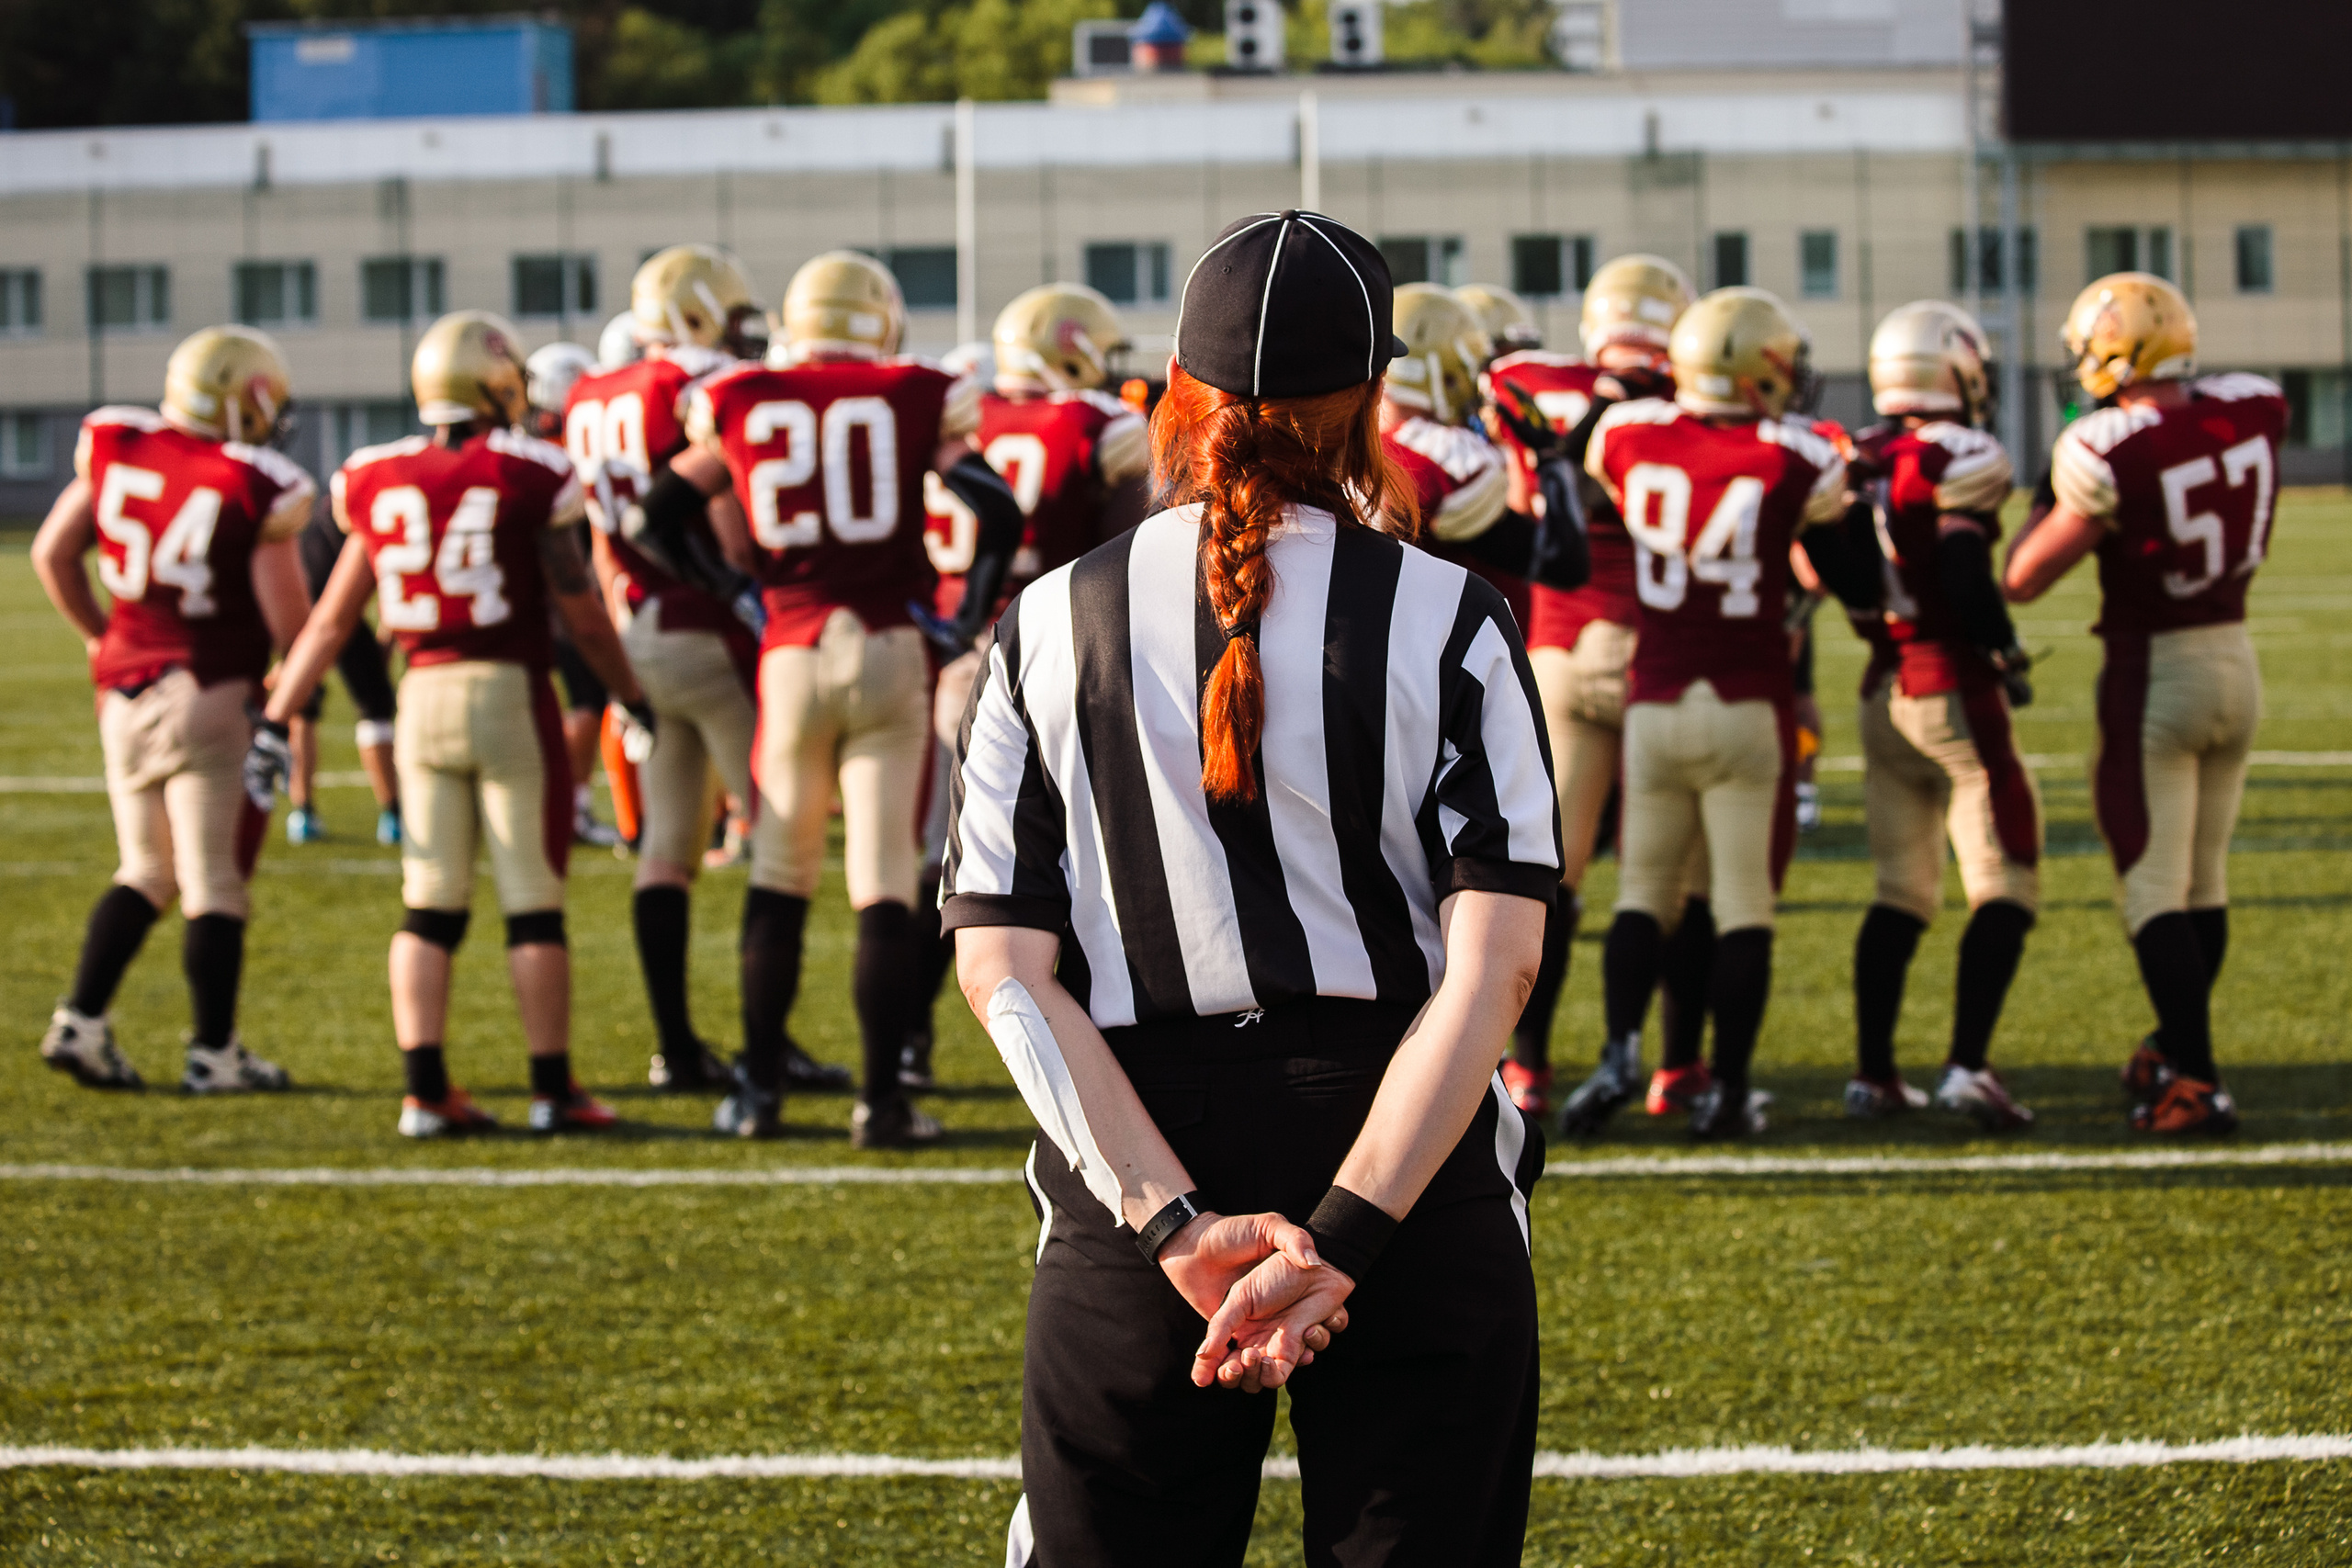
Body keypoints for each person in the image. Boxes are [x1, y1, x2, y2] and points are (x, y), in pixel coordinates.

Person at [945, 209, 1554, 1566]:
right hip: (1406, 1148)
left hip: (1137, 1139)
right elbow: (1496, 966)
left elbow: (1003, 972)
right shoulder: (1455, 615)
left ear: (1177, 390)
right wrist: (1339, 1238)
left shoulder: (1045, 620)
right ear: (1371, 403)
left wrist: (1170, 1218)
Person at [248, 310, 651, 1137]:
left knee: (428, 903)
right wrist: (631, 696)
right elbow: (583, 611)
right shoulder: (531, 469)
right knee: (534, 905)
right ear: (497, 384)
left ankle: (424, 1088)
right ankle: (551, 1088)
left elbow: (329, 621)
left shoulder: (376, 473)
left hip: (418, 701)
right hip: (508, 695)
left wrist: (276, 715)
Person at [665, 250, 1022, 1146]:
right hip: (889, 646)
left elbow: (653, 513)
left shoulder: (741, 395)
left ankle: (757, 1095)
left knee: (778, 877)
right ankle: (881, 1102)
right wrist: (965, 615)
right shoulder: (917, 391)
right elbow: (997, 510)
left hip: (788, 650)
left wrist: (735, 590)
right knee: (883, 886)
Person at [563, 245, 850, 1096]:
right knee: (775, 843)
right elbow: (723, 518)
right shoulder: (690, 388)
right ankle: (769, 1048)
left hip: (642, 627)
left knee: (665, 849)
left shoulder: (590, 393)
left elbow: (601, 530)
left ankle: (675, 1045)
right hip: (712, 630)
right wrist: (746, 587)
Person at [2005, 272, 2284, 1136]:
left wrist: (2052, 493)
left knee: (2154, 885)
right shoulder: (2255, 402)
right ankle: (2173, 1048)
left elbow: (2023, 576)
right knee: (2203, 879)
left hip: (2155, 672)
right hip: (2236, 661)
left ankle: (2195, 1079)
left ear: (2117, 354)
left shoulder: (2105, 446)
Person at [1583, 287, 1848, 1139]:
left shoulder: (1627, 434)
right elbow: (1841, 559)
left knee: (1639, 894)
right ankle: (1727, 1087)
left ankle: (1619, 1051)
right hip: (1746, 702)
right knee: (1741, 906)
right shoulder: (1795, 455)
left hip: (1655, 698)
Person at [31, 326, 316, 1094]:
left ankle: (80, 1023)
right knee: (215, 884)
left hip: (121, 691)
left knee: (147, 870)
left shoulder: (119, 443)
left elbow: (54, 552)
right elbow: (296, 628)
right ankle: (215, 1054)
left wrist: (100, 637)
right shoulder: (251, 480)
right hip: (210, 689)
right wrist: (290, 701)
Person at [1478, 256, 1724, 1128]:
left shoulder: (1528, 383)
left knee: (1547, 874)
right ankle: (1679, 1066)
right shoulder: (1698, 402)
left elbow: (1521, 502)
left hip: (1561, 646)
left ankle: (1525, 1065)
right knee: (1678, 881)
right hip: (1661, 654)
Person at [903, 286, 1151, 1090]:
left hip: (954, 651)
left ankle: (908, 1039)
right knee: (1087, 853)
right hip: (1057, 649)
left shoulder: (962, 420)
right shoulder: (1095, 424)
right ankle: (1093, 1036)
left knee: (958, 856)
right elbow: (1129, 551)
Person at [1833, 299, 2041, 1129]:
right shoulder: (1964, 451)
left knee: (1899, 892)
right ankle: (1966, 1066)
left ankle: (1874, 1073)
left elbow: (1832, 570)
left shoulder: (1855, 454)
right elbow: (1960, 562)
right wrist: (2004, 649)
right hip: (1952, 684)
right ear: (1956, 367)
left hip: (1882, 687)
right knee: (2007, 880)